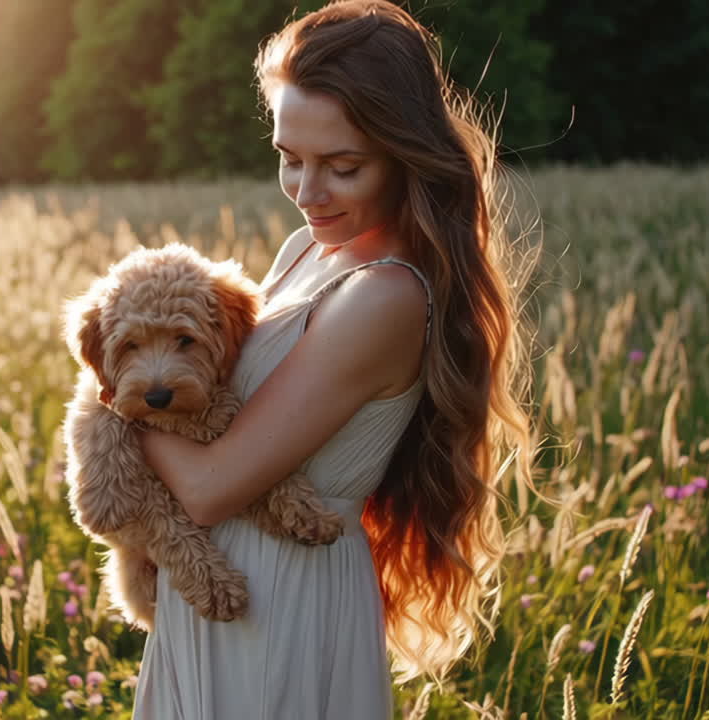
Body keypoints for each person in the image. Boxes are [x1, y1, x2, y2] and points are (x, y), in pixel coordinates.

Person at [133, 1, 537, 717]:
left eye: (342, 167)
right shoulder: (307, 251)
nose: (308, 193)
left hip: (282, 601)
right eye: (290, 160)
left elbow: (209, 486)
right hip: (216, 590)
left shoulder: (384, 297)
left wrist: (114, 405)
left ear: (402, 155)